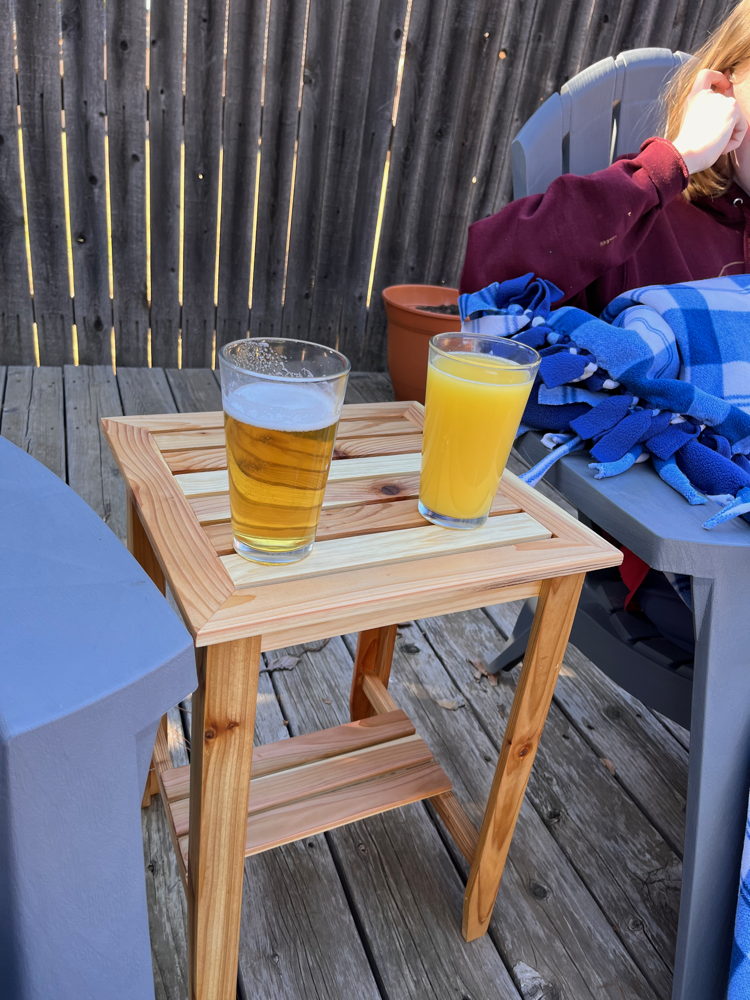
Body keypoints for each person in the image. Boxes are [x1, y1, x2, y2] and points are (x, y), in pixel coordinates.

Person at [459, 1, 750, 651]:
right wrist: (669, 162)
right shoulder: (648, 208)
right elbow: (491, 279)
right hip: (684, 553)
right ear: (725, 89)